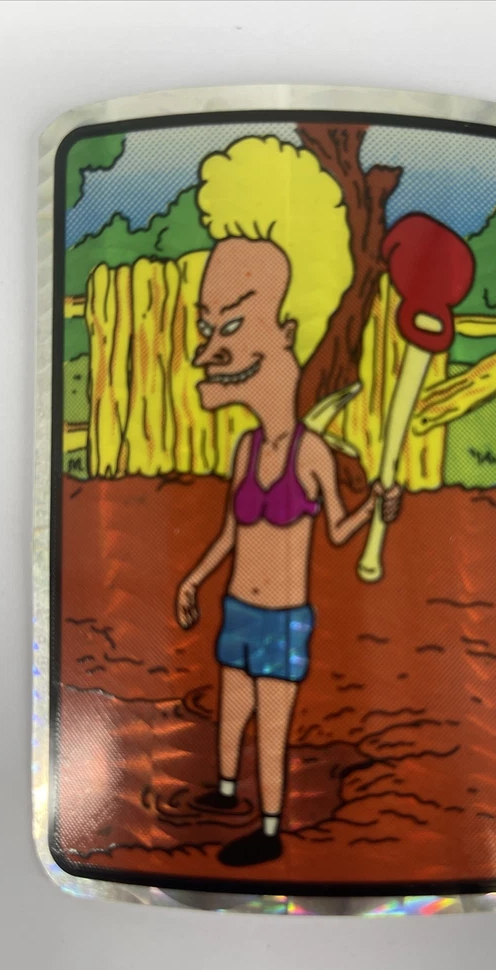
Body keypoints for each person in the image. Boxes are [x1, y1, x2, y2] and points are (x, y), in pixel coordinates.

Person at [175, 138, 401, 867]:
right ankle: (223, 789)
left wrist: (377, 511)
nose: (207, 351)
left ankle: (270, 828)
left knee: (272, 722)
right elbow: (229, 532)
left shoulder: (309, 454)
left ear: (288, 333)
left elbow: (335, 528)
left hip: (281, 616)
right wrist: (193, 579)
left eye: (231, 327)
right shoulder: (246, 450)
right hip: (239, 605)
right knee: (232, 704)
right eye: (207, 328)